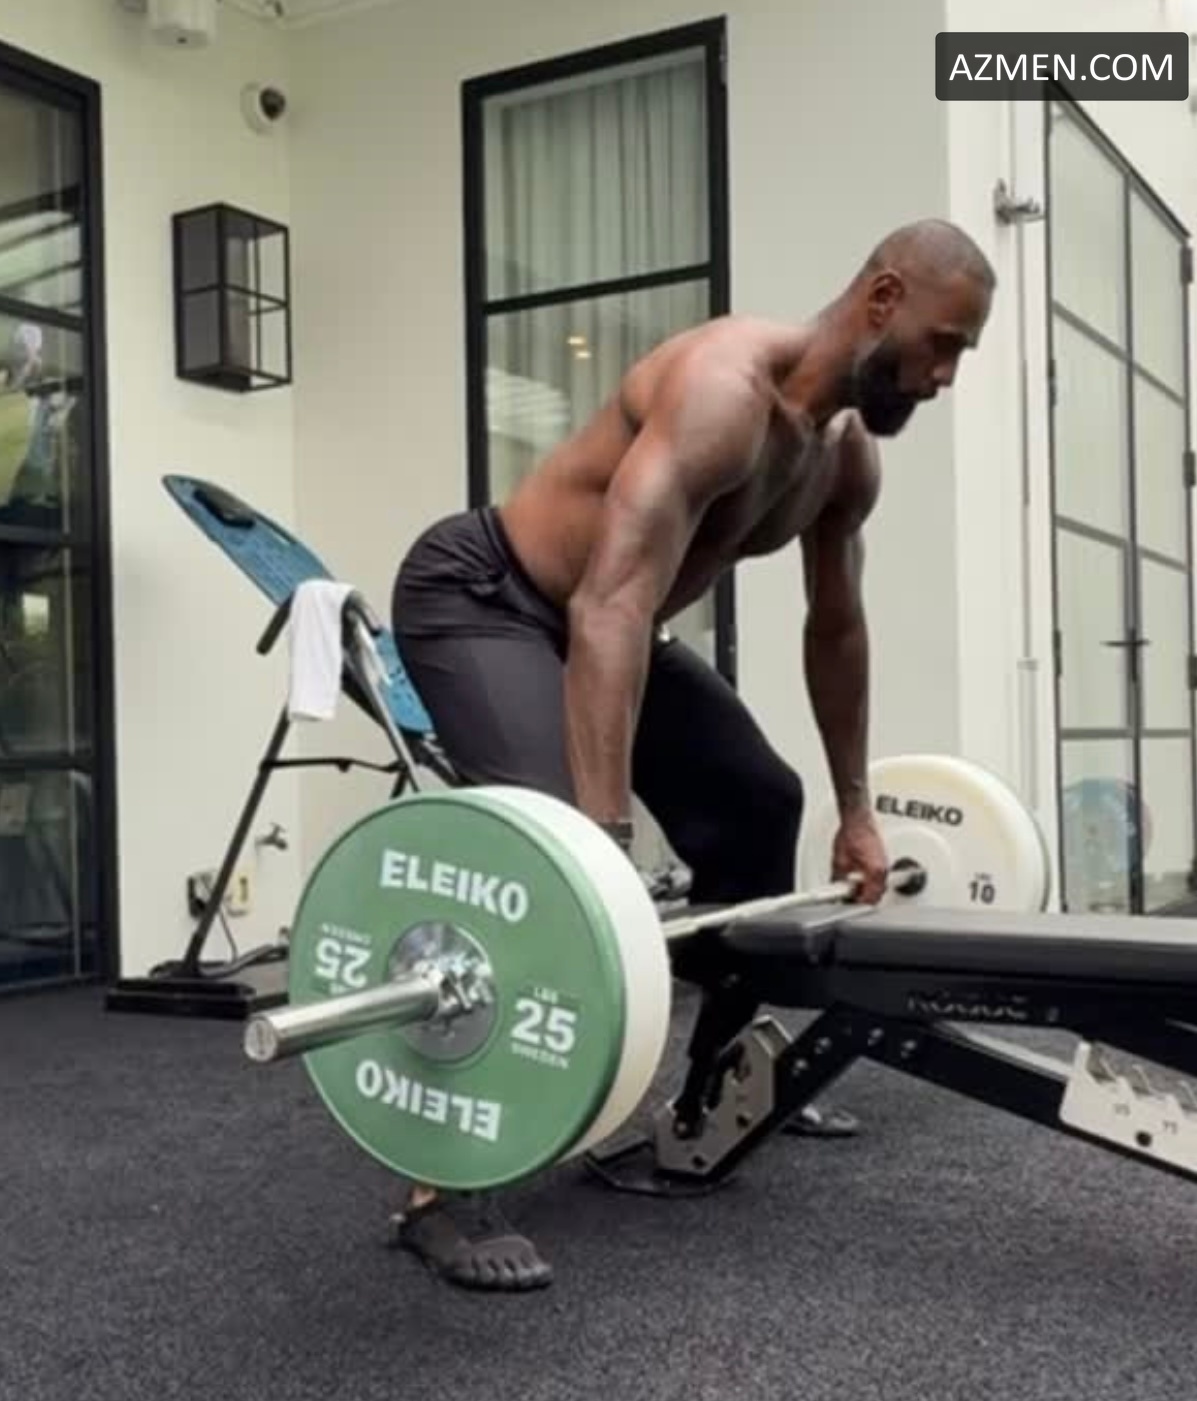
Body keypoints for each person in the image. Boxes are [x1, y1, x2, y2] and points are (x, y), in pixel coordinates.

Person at [388, 218, 996, 1292]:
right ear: (882, 298)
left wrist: (856, 810)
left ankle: (709, 1094)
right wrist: (605, 841)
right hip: (487, 596)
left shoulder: (842, 458)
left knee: (761, 804)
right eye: (941, 343)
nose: (943, 376)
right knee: (549, 853)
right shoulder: (721, 390)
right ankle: (442, 1187)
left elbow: (835, 630)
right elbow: (609, 604)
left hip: (605, 617)